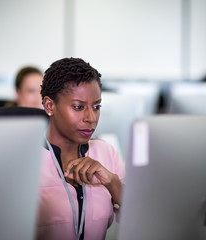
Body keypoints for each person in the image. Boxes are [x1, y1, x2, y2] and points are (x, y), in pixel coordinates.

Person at [36, 57, 125, 240]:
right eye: (78, 107)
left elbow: (142, 224)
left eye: (96, 106)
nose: (91, 118)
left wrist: (114, 184)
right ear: (49, 105)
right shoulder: (24, 161)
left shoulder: (107, 153)